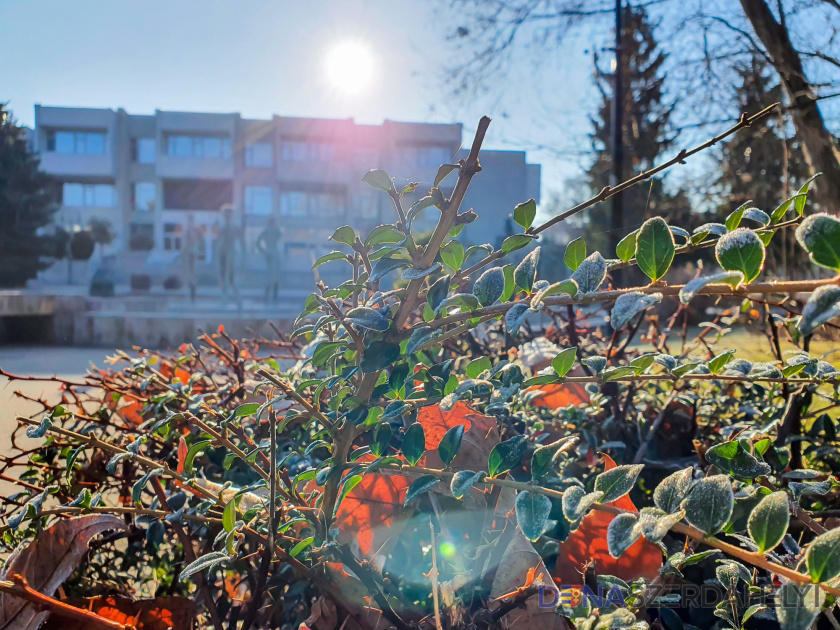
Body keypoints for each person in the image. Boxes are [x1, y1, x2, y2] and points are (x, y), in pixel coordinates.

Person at [215, 204, 243, 304]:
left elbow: (241, 241)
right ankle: (225, 298)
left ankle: (237, 299)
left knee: (230, 278)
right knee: (223, 276)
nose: (225, 216)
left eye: (227, 214)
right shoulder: (222, 227)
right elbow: (218, 241)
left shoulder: (234, 227)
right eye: (224, 214)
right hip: (223, 252)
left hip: (230, 253)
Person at [256, 215, 282, 302]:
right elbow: (257, 242)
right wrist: (265, 252)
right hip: (270, 255)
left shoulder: (277, 230)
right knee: (270, 277)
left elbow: (281, 239)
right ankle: (267, 296)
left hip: (276, 255)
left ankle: (275, 297)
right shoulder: (267, 231)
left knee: (276, 277)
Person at [182, 213, 201, 301]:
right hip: (190, 252)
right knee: (189, 273)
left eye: (190, 219)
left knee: (191, 273)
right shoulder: (188, 229)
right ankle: (191, 292)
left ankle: (193, 292)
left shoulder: (193, 229)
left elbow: (195, 240)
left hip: (191, 253)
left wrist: (193, 249)